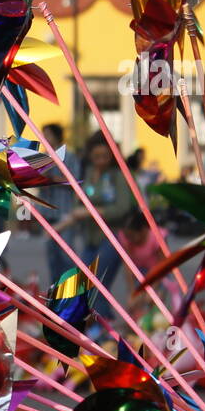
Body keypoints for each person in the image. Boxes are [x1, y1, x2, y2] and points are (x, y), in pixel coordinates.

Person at [53, 131, 129, 317]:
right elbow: (79, 206)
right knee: (83, 288)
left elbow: (122, 207)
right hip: (90, 239)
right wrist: (60, 227)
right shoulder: (88, 173)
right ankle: (93, 329)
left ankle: (103, 334)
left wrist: (92, 212)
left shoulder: (117, 176)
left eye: (104, 157)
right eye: (96, 157)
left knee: (98, 288)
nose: (100, 161)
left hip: (111, 238)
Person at [40, 123, 81, 283]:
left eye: (48, 135)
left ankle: (69, 289)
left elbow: (75, 181)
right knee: (52, 255)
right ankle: (55, 290)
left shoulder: (69, 157)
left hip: (64, 211)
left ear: (57, 136)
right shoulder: (42, 157)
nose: (45, 139)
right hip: (47, 211)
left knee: (66, 254)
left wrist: (53, 179)